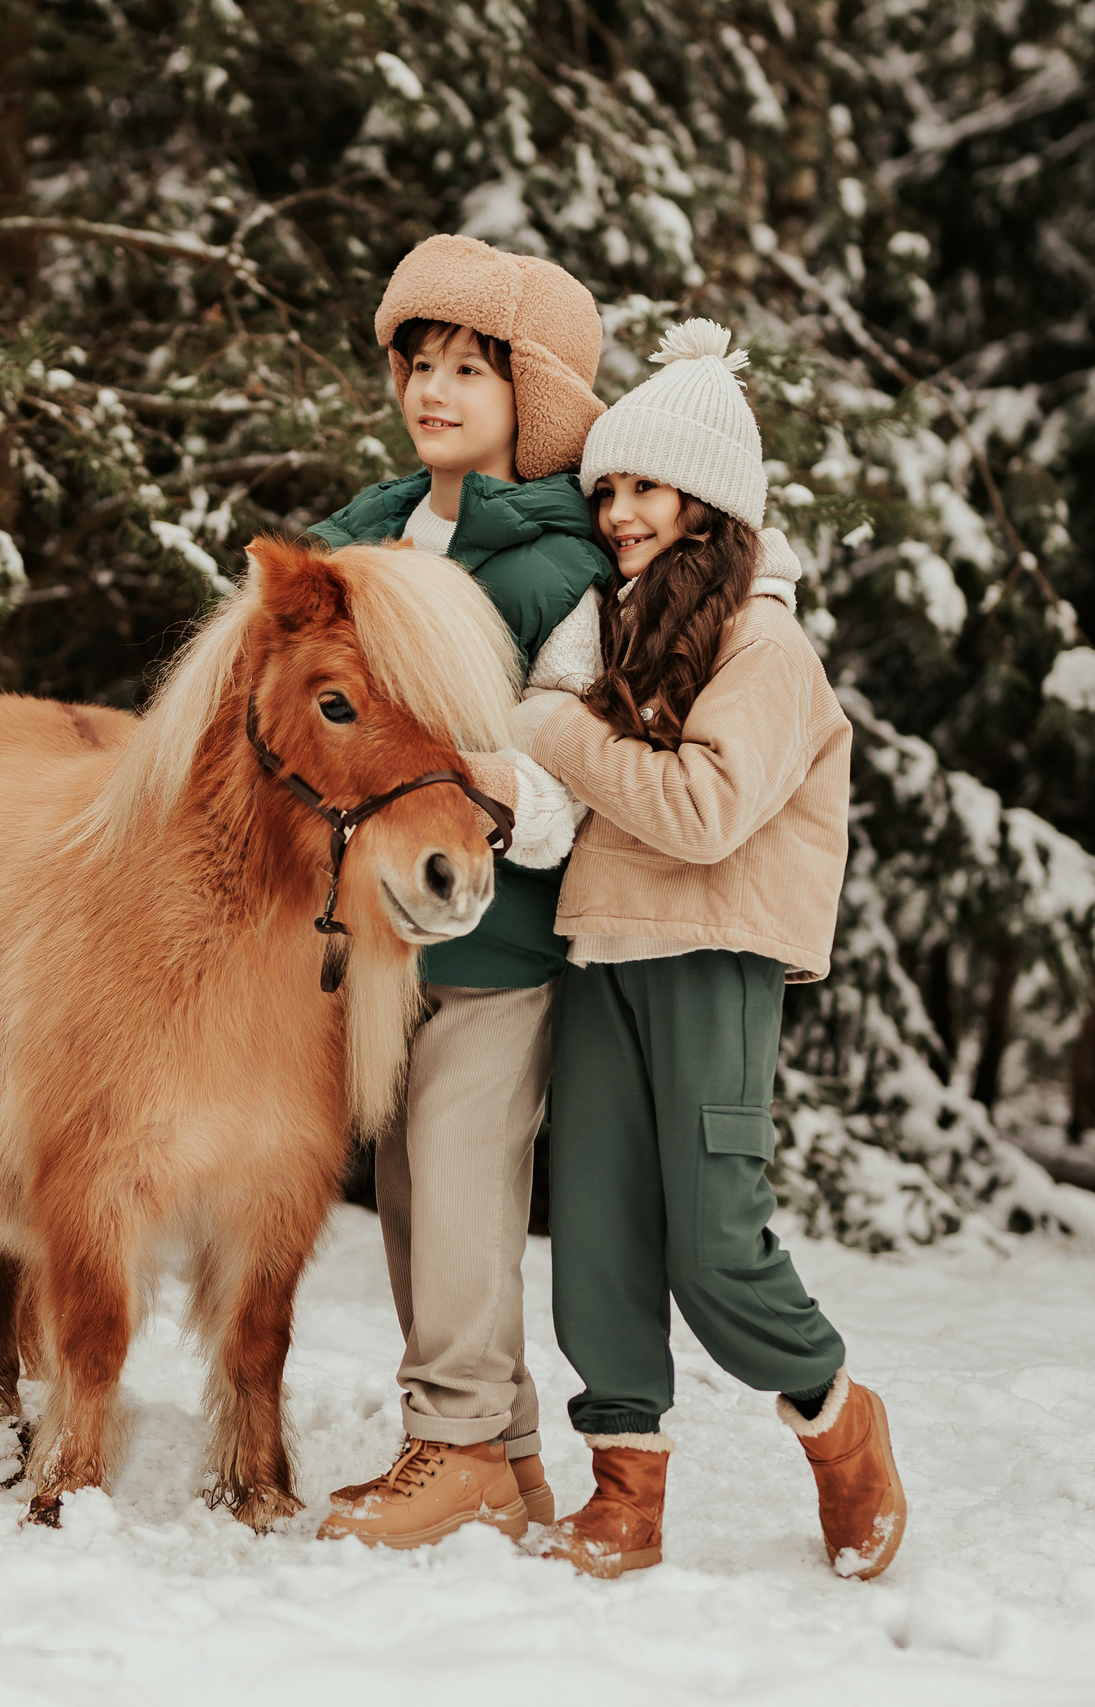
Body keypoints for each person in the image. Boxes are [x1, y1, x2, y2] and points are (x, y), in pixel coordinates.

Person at [509, 317, 908, 1581]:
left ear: (711, 502)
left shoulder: (765, 645)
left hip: (713, 957)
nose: (619, 511)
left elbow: (702, 810)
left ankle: (838, 1422)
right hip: (597, 955)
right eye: (607, 489)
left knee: (716, 1247)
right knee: (599, 1238)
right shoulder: (612, 637)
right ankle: (623, 1492)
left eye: (645, 487)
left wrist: (557, 731)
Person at [306, 234, 609, 1549]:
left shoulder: (564, 563)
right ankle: (511, 1460)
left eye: (469, 371)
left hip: (503, 934)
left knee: (463, 1166)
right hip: (378, 933)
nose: (433, 390)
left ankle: (455, 1440)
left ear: (529, 394)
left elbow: (571, 775)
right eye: (419, 363)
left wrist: (499, 794)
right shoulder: (360, 536)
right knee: (415, 1188)